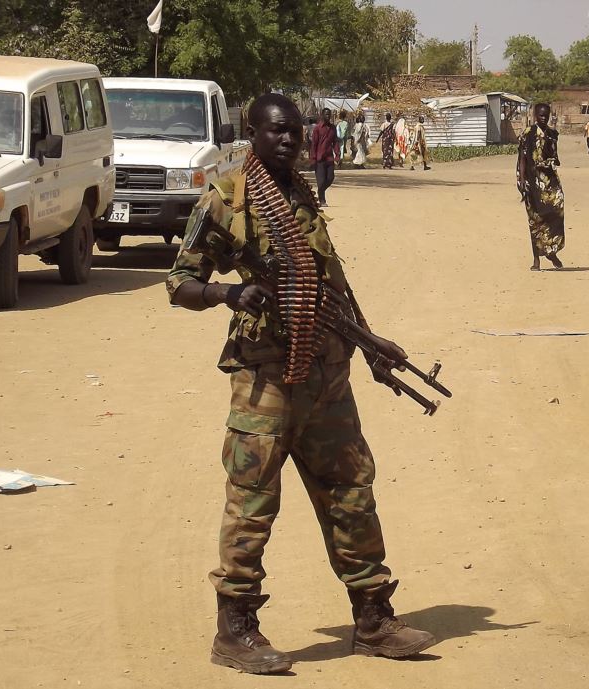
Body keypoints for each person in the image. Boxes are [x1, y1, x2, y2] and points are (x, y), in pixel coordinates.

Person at [165, 93, 437, 675]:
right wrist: (228, 293)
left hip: (327, 373)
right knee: (253, 499)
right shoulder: (226, 201)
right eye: (277, 132)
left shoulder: (303, 195)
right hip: (265, 377)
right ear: (252, 135)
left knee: (351, 491)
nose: (289, 140)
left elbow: (329, 283)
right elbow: (180, 283)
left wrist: (370, 345)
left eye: (296, 131)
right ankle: (234, 630)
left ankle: (373, 617)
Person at [517, 102, 565, 271]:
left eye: (546, 115)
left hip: (550, 181)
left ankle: (551, 252)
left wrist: (551, 161)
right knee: (535, 220)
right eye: (541, 115)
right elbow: (522, 158)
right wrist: (522, 180)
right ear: (535, 116)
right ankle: (536, 259)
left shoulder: (552, 134)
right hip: (532, 181)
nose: (544, 118)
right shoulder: (527, 134)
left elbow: (555, 157)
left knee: (556, 213)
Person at [309, 107, 339, 206]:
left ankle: (320, 191)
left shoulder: (333, 128)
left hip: (329, 157)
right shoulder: (317, 128)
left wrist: (337, 155)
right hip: (319, 158)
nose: (328, 116)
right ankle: (322, 200)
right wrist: (313, 159)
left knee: (330, 178)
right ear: (322, 115)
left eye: (329, 114)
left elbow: (335, 142)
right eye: (326, 114)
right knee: (321, 181)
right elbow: (313, 144)